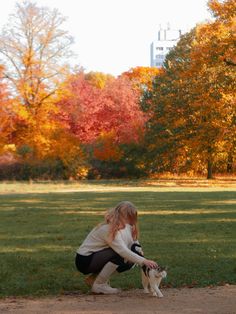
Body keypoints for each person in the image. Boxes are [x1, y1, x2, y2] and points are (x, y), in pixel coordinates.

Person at [75, 201, 157, 294]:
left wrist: (140, 253)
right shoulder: (108, 228)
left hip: (99, 256)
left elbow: (133, 244)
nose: (130, 222)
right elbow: (122, 250)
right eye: (128, 218)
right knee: (121, 255)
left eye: (132, 218)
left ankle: (95, 279)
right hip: (85, 260)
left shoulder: (127, 226)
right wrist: (144, 261)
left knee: (130, 261)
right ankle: (99, 285)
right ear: (121, 216)